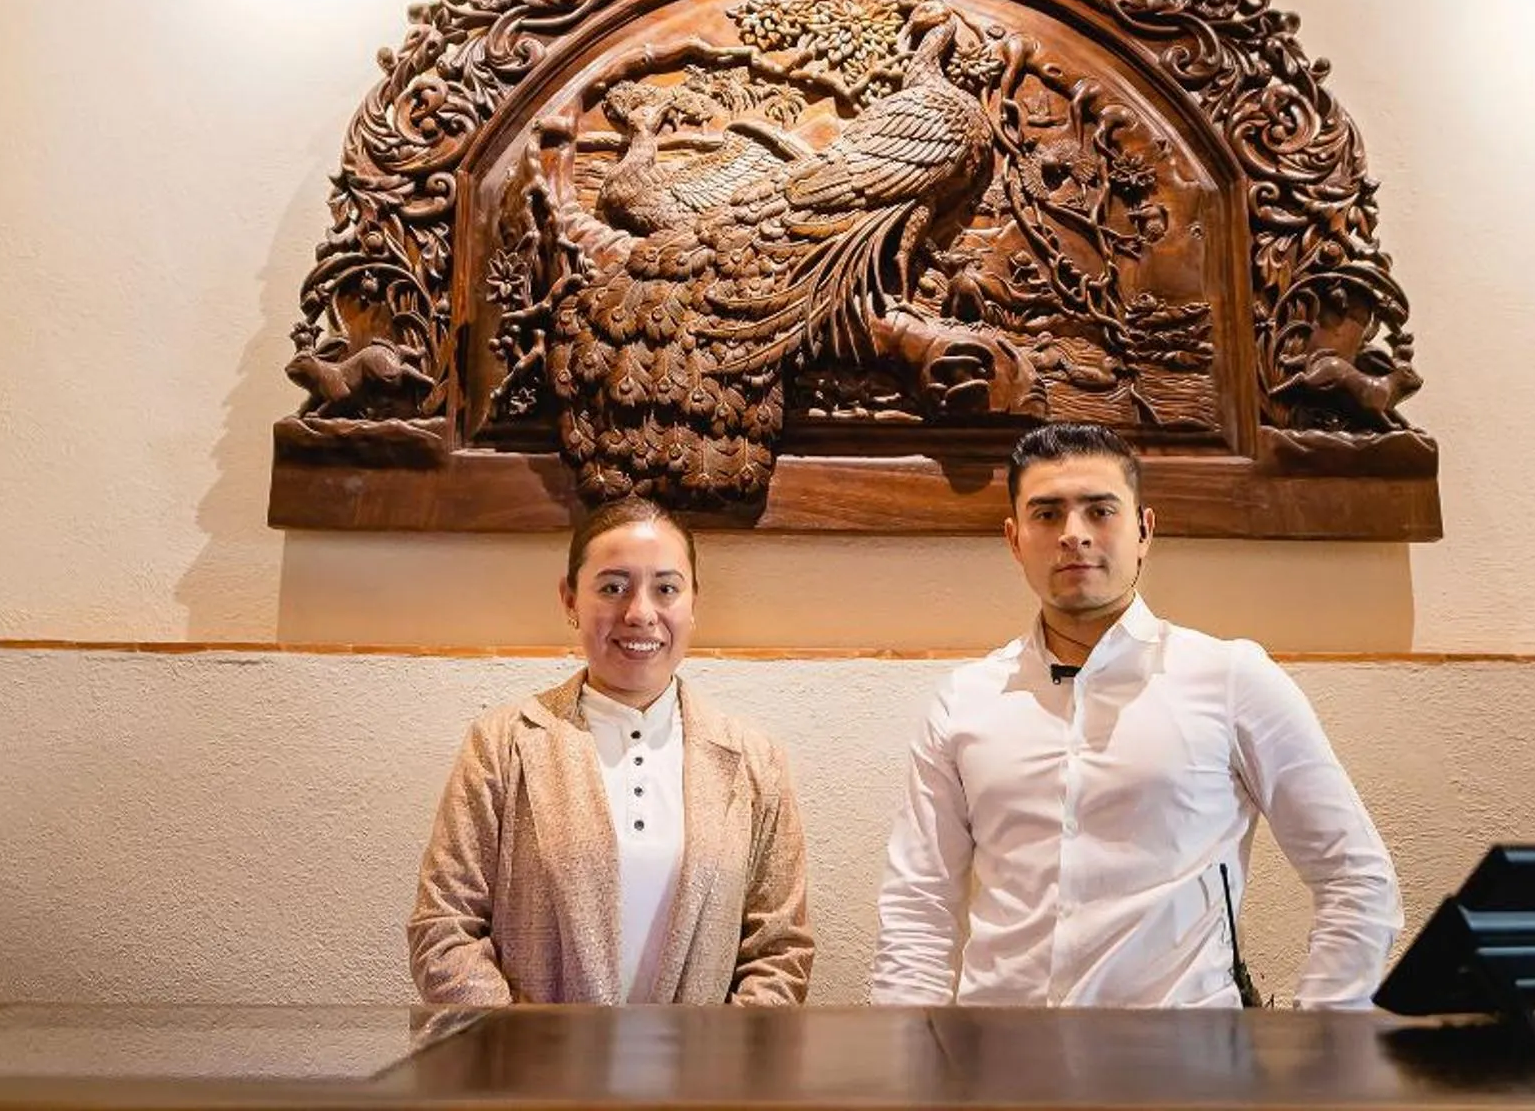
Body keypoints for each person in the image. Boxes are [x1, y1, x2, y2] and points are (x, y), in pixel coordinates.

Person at [869, 423, 1401, 1008]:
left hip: (1187, 1075)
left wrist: (1326, 1043)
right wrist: (906, 1072)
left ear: (1144, 530)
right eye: (1046, 515)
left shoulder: (1231, 678)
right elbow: (919, 907)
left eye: (1100, 511)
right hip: (1001, 1069)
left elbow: (1355, 877)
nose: (1074, 535)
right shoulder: (963, 701)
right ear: (1014, 539)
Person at [410, 497, 814, 1004]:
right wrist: (525, 1056)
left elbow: (780, 949)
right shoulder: (502, 744)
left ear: (694, 604)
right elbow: (444, 929)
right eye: (612, 587)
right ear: (570, 600)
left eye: (666, 588)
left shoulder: (755, 760)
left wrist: (717, 1065)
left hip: (702, 1078)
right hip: (529, 1076)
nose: (640, 613)